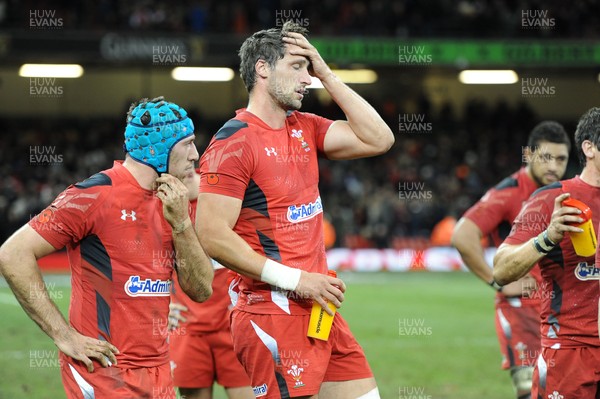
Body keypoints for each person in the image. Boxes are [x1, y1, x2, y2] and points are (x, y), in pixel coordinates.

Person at [196, 21, 394, 399]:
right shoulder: (232, 142)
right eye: (298, 67)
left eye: (309, 68)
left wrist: (326, 72)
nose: (308, 79)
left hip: (320, 310)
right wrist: (298, 280)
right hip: (271, 311)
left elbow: (380, 138)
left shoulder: (303, 126)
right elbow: (211, 234)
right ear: (263, 68)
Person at [0, 97, 214, 399]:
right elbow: (12, 253)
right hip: (104, 369)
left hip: (158, 368)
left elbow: (202, 290)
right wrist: (65, 336)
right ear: (158, 147)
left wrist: (181, 224)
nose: (195, 154)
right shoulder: (94, 195)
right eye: (188, 143)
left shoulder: (174, 198)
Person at [452, 121, 570, 399]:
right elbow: (462, 235)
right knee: (530, 390)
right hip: (522, 309)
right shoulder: (509, 192)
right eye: (546, 157)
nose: (554, 166)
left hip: (559, 308)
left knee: (562, 389)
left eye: (561, 159)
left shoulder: (562, 191)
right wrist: (496, 281)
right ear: (528, 155)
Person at [494, 107, 600, 398]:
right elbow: (501, 269)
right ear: (589, 147)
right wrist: (548, 237)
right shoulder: (552, 198)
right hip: (569, 354)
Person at [168, 170, 254, 399]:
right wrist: (160, 304)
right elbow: (144, 262)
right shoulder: (163, 202)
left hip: (233, 323)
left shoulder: (224, 191)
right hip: (188, 327)